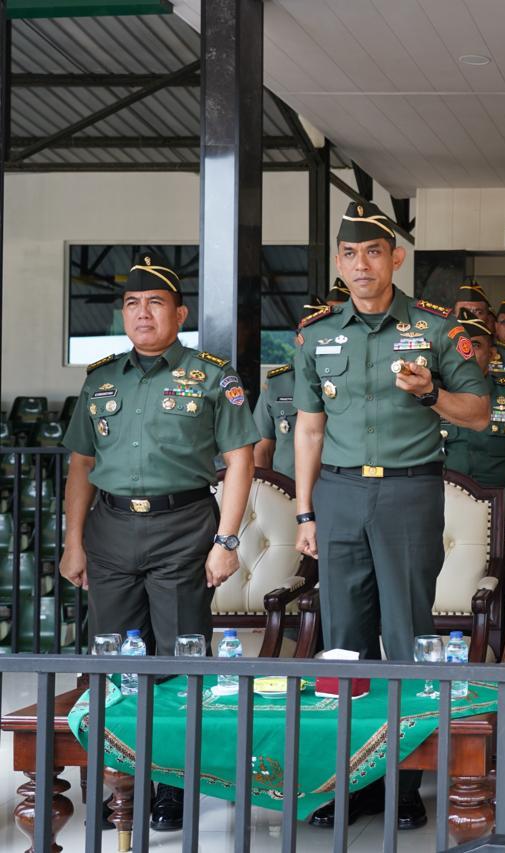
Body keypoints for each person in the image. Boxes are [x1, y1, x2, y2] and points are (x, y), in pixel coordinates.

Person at [292, 201, 490, 829]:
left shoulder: (437, 329)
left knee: (407, 635)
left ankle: (404, 784)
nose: (361, 265)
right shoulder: (317, 335)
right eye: (350, 254)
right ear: (339, 262)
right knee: (343, 641)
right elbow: (308, 430)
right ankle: (350, 783)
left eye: (373, 252)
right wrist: (304, 511)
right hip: (338, 493)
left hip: (409, 491)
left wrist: (431, 393)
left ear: (396, 259)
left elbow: (479, 412)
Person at [60, 251, 258, 831]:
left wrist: (227, 540)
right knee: (112, 664)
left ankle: (173, 787)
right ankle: (119, 783)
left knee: (179, 661)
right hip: (111, 529)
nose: (142, 313)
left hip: (184, 527)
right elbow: (80, 465)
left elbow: (240, 460)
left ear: (180, 313)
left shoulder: (214, 376)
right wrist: (73, 542)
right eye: (131, 303)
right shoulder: (100, 378)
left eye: (154, 303)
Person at [253, 285, 351, 479]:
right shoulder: (277, 383)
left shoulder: (351, 379)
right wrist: (262, 490)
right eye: (306, 335)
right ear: (298, 339)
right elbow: (262, 449)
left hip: (339, 486)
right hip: (287, 488)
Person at [442, 309, 505, 488]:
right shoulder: (432, 396)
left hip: (500, 498)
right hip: (442, 497)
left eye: (474, 345)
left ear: (492, 354)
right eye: (456, 345)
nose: (465, 352)